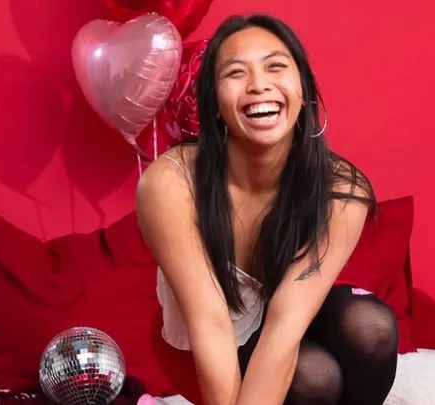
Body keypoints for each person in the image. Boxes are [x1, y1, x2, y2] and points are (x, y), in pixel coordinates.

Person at [136, 14, 398, 405]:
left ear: (304, 89)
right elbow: (210, 324)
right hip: (203, 340)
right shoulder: (171, 183)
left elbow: (285, 326)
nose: (259, 85)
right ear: (215, 105)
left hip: (284, 317)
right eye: (236, 73)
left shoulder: (342, 188)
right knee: (313, 378)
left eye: (276, 66)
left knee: (371, 327)